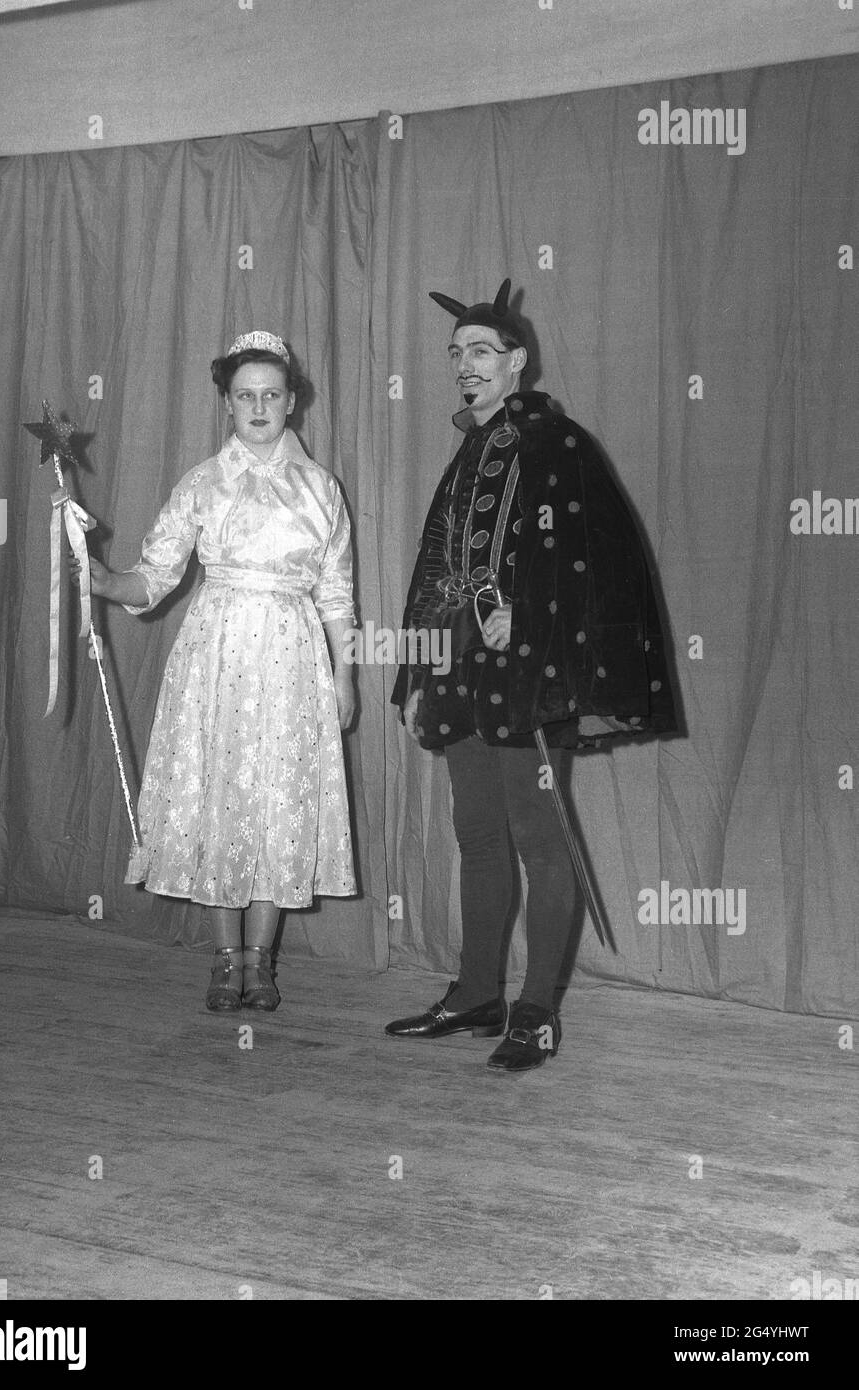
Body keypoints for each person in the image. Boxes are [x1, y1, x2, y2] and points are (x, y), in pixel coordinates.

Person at [386, 280, 677, 1072]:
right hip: (462, 670)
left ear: (517, 360)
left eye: (481, 352)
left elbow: (600, 561)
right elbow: (439, 565)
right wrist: (420, 665)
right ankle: (479, 994)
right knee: (478, 836)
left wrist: (535, 620)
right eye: (456, 355)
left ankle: (538, 1012)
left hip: (533, 675)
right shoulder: (469, 450)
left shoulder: (560, 444)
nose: (465, 366)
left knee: (540, 842)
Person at [81, 331, 357, 1012]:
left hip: (293, 657)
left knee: (278, 800)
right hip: (218, 657)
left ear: (292, 402)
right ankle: (223, 957)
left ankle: (261, 962)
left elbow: (337, 594)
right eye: (244, 396)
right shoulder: (202, 484)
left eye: (271, 394)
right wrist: (104, 581)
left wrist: (346, 677)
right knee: (222, 794)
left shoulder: (321, 488)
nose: (258, 406)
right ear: (227, 405)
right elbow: (154, 578)